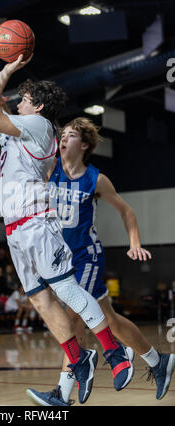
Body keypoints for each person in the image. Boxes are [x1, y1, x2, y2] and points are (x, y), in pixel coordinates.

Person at [0, 52, 135, 403]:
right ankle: (79, 361)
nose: (19, 102)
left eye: (26, 99)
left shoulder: (40, 126)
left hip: (35, 223)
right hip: (16, 229)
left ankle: (115, 354)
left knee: (68, 292)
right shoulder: (20, 129)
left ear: (40, 106)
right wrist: (5, 73)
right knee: (40, 300)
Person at [27, 117, 175, 405]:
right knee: (109, 318)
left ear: (83, 145)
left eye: (70, 136)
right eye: (62, 135)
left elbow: (127, 212)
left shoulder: (95, 179)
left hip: (86, 256)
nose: (63, 139)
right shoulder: (51, 170)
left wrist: (134, 244)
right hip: (62, 258)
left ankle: (62, 393)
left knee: (72, 318)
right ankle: (158, 361)